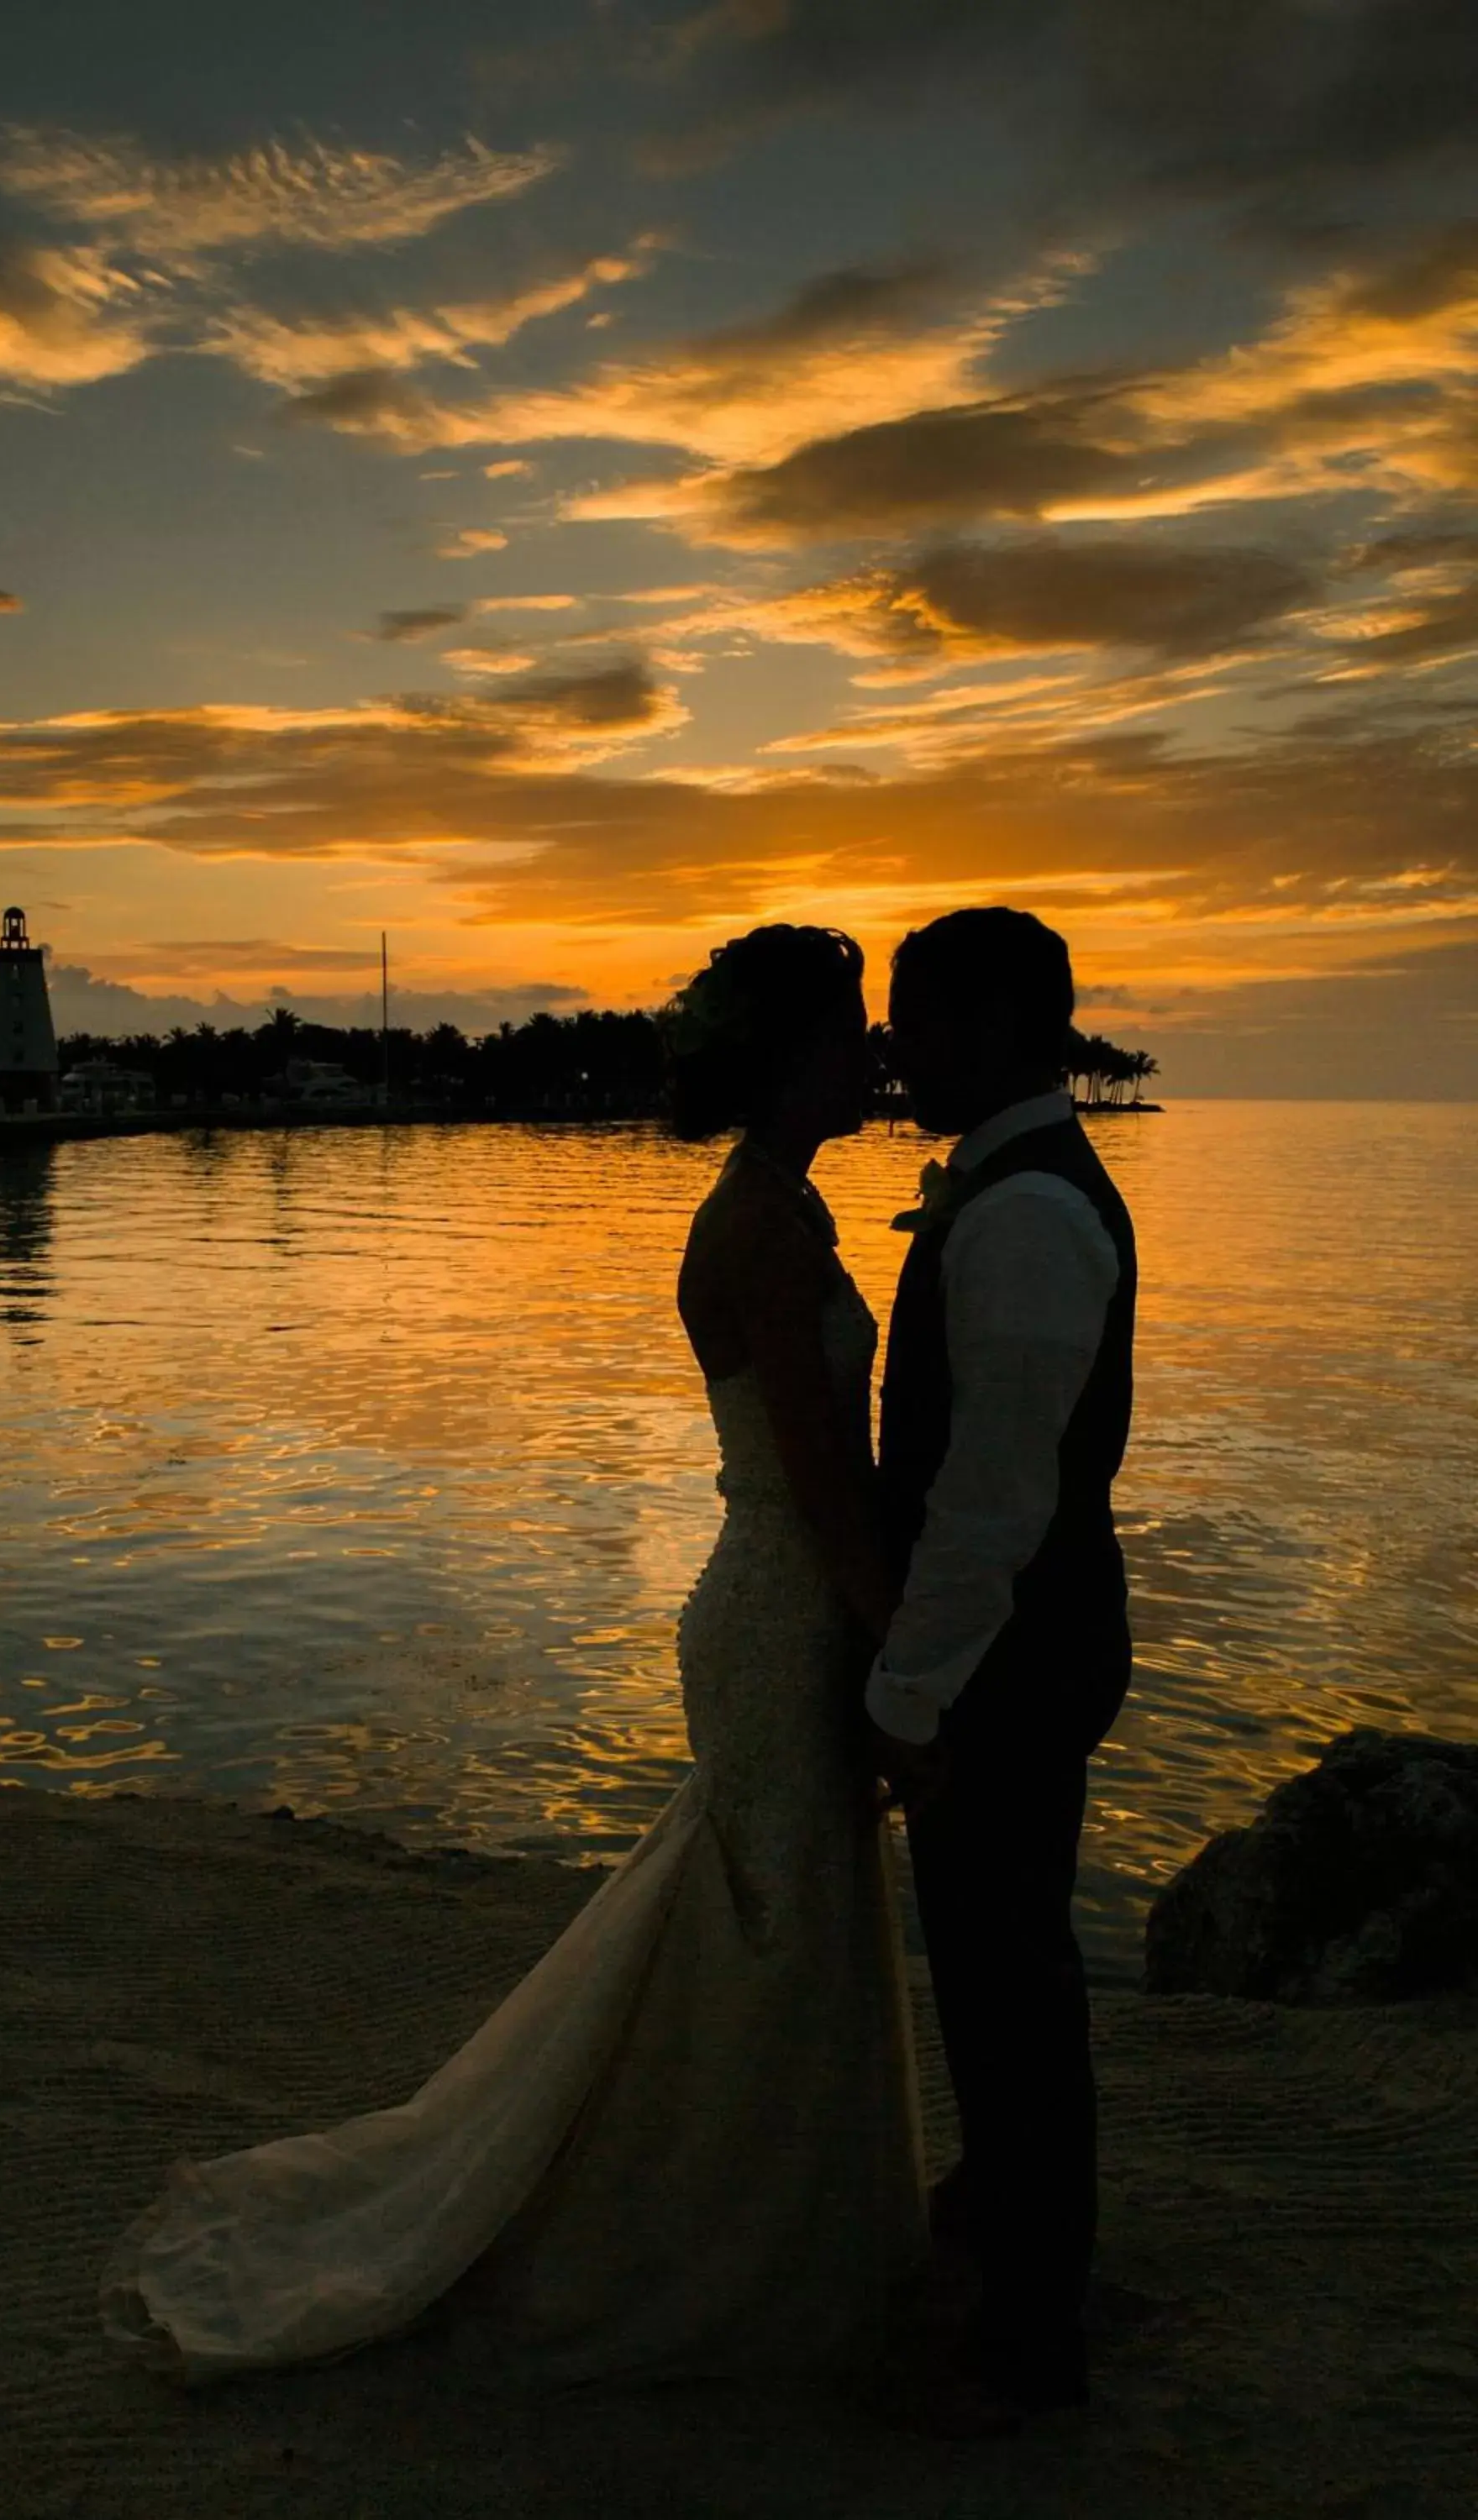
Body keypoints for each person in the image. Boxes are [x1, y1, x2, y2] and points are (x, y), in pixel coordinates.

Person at [100, 922, 926, 2391]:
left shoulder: (782, 1209)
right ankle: (721, 2242)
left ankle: (767, 2224)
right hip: (782, 1612)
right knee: (774, 1919)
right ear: (792, 1054)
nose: (868, 1051)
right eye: (849, 1026)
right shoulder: (754, 1224)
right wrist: (902, 1666)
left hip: (775, 1601)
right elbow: (820, 1484)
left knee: (767, 1918)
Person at [867, 906, 1138, 2416]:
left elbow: (996, 1495)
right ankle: (1004, 2208)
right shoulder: (1011, 1187)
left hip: (1014, 1657)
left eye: (915, 1020)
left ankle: (1033, 2337)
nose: (898, 1050)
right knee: (993, 1961)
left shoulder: (1028, 1212)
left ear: (989, 1024)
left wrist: (911, 1689)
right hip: (1025, 1642)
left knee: (1011, 1979)